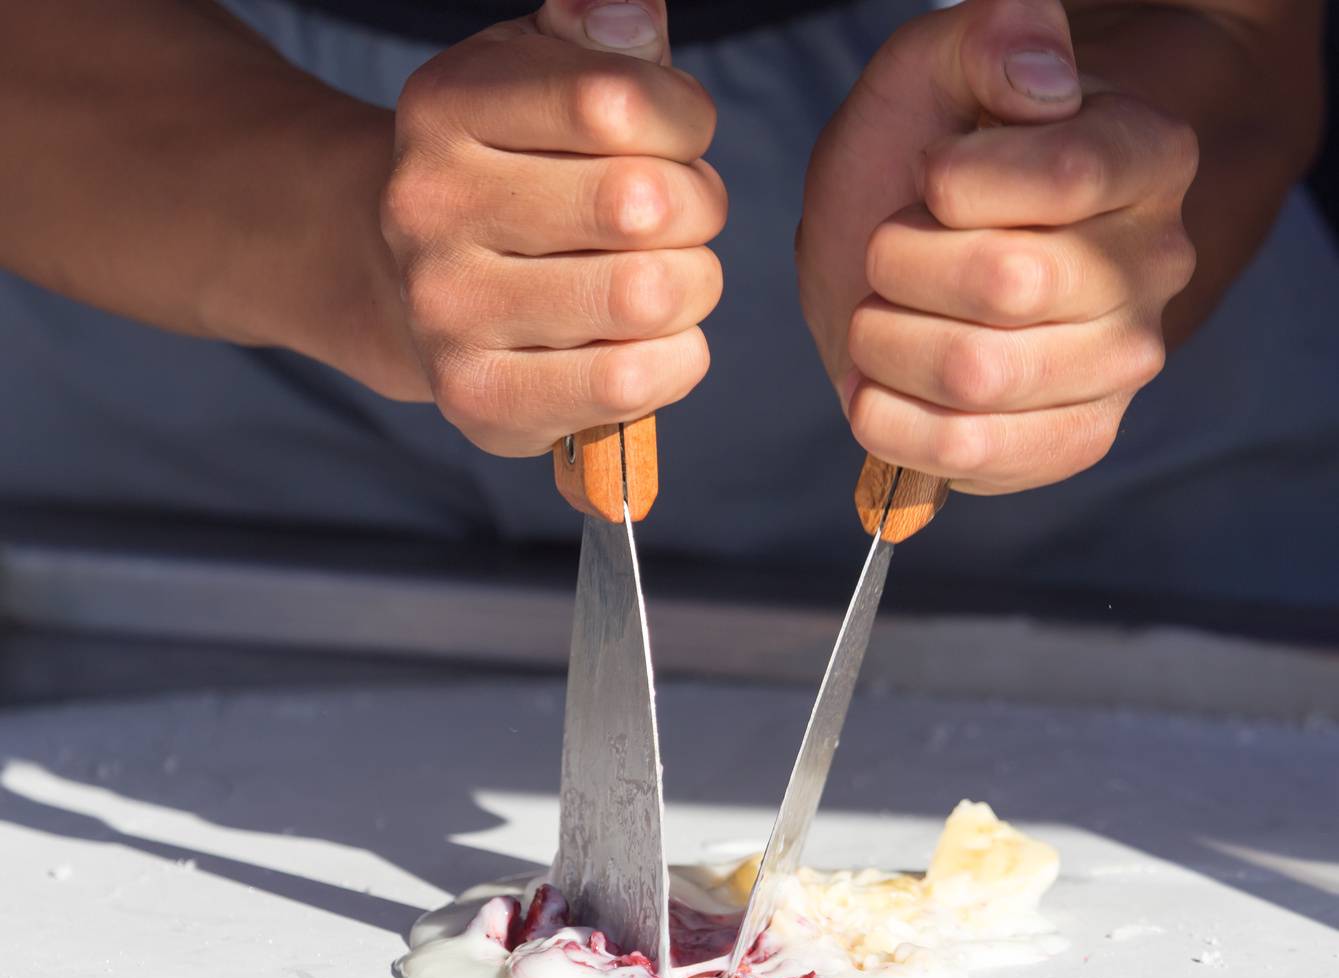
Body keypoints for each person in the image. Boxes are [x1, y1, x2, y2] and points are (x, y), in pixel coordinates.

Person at [1, 0, 1335, 608]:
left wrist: (1060, 216)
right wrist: (344, 230)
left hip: (1005, 234)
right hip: (170, 180)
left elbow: (1237, 30)